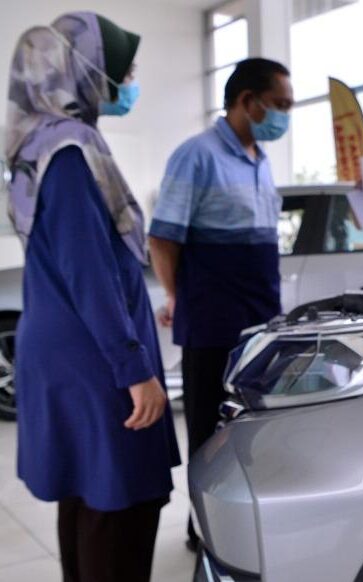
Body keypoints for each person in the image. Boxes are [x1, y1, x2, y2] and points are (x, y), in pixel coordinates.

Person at [6, 12, 180, 581]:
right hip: (94, 355)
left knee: (87, 494)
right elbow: (90, 272)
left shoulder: (33, 146)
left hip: (65, 341)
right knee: (120, 502)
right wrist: (134, 369)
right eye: (123, 71)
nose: (129, 83)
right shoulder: (70, 152)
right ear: (85, 70)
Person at [148, 57, 293, 549]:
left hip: (260, 322)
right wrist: (176, 296)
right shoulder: (197, 155)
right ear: (247, 101)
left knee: (253, 430)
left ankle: (244, 524)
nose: (285, 115)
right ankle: (204, 530)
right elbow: (163, 238)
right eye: (279, 104)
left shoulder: (260, 159)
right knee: (210, 432)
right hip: (212, 321)